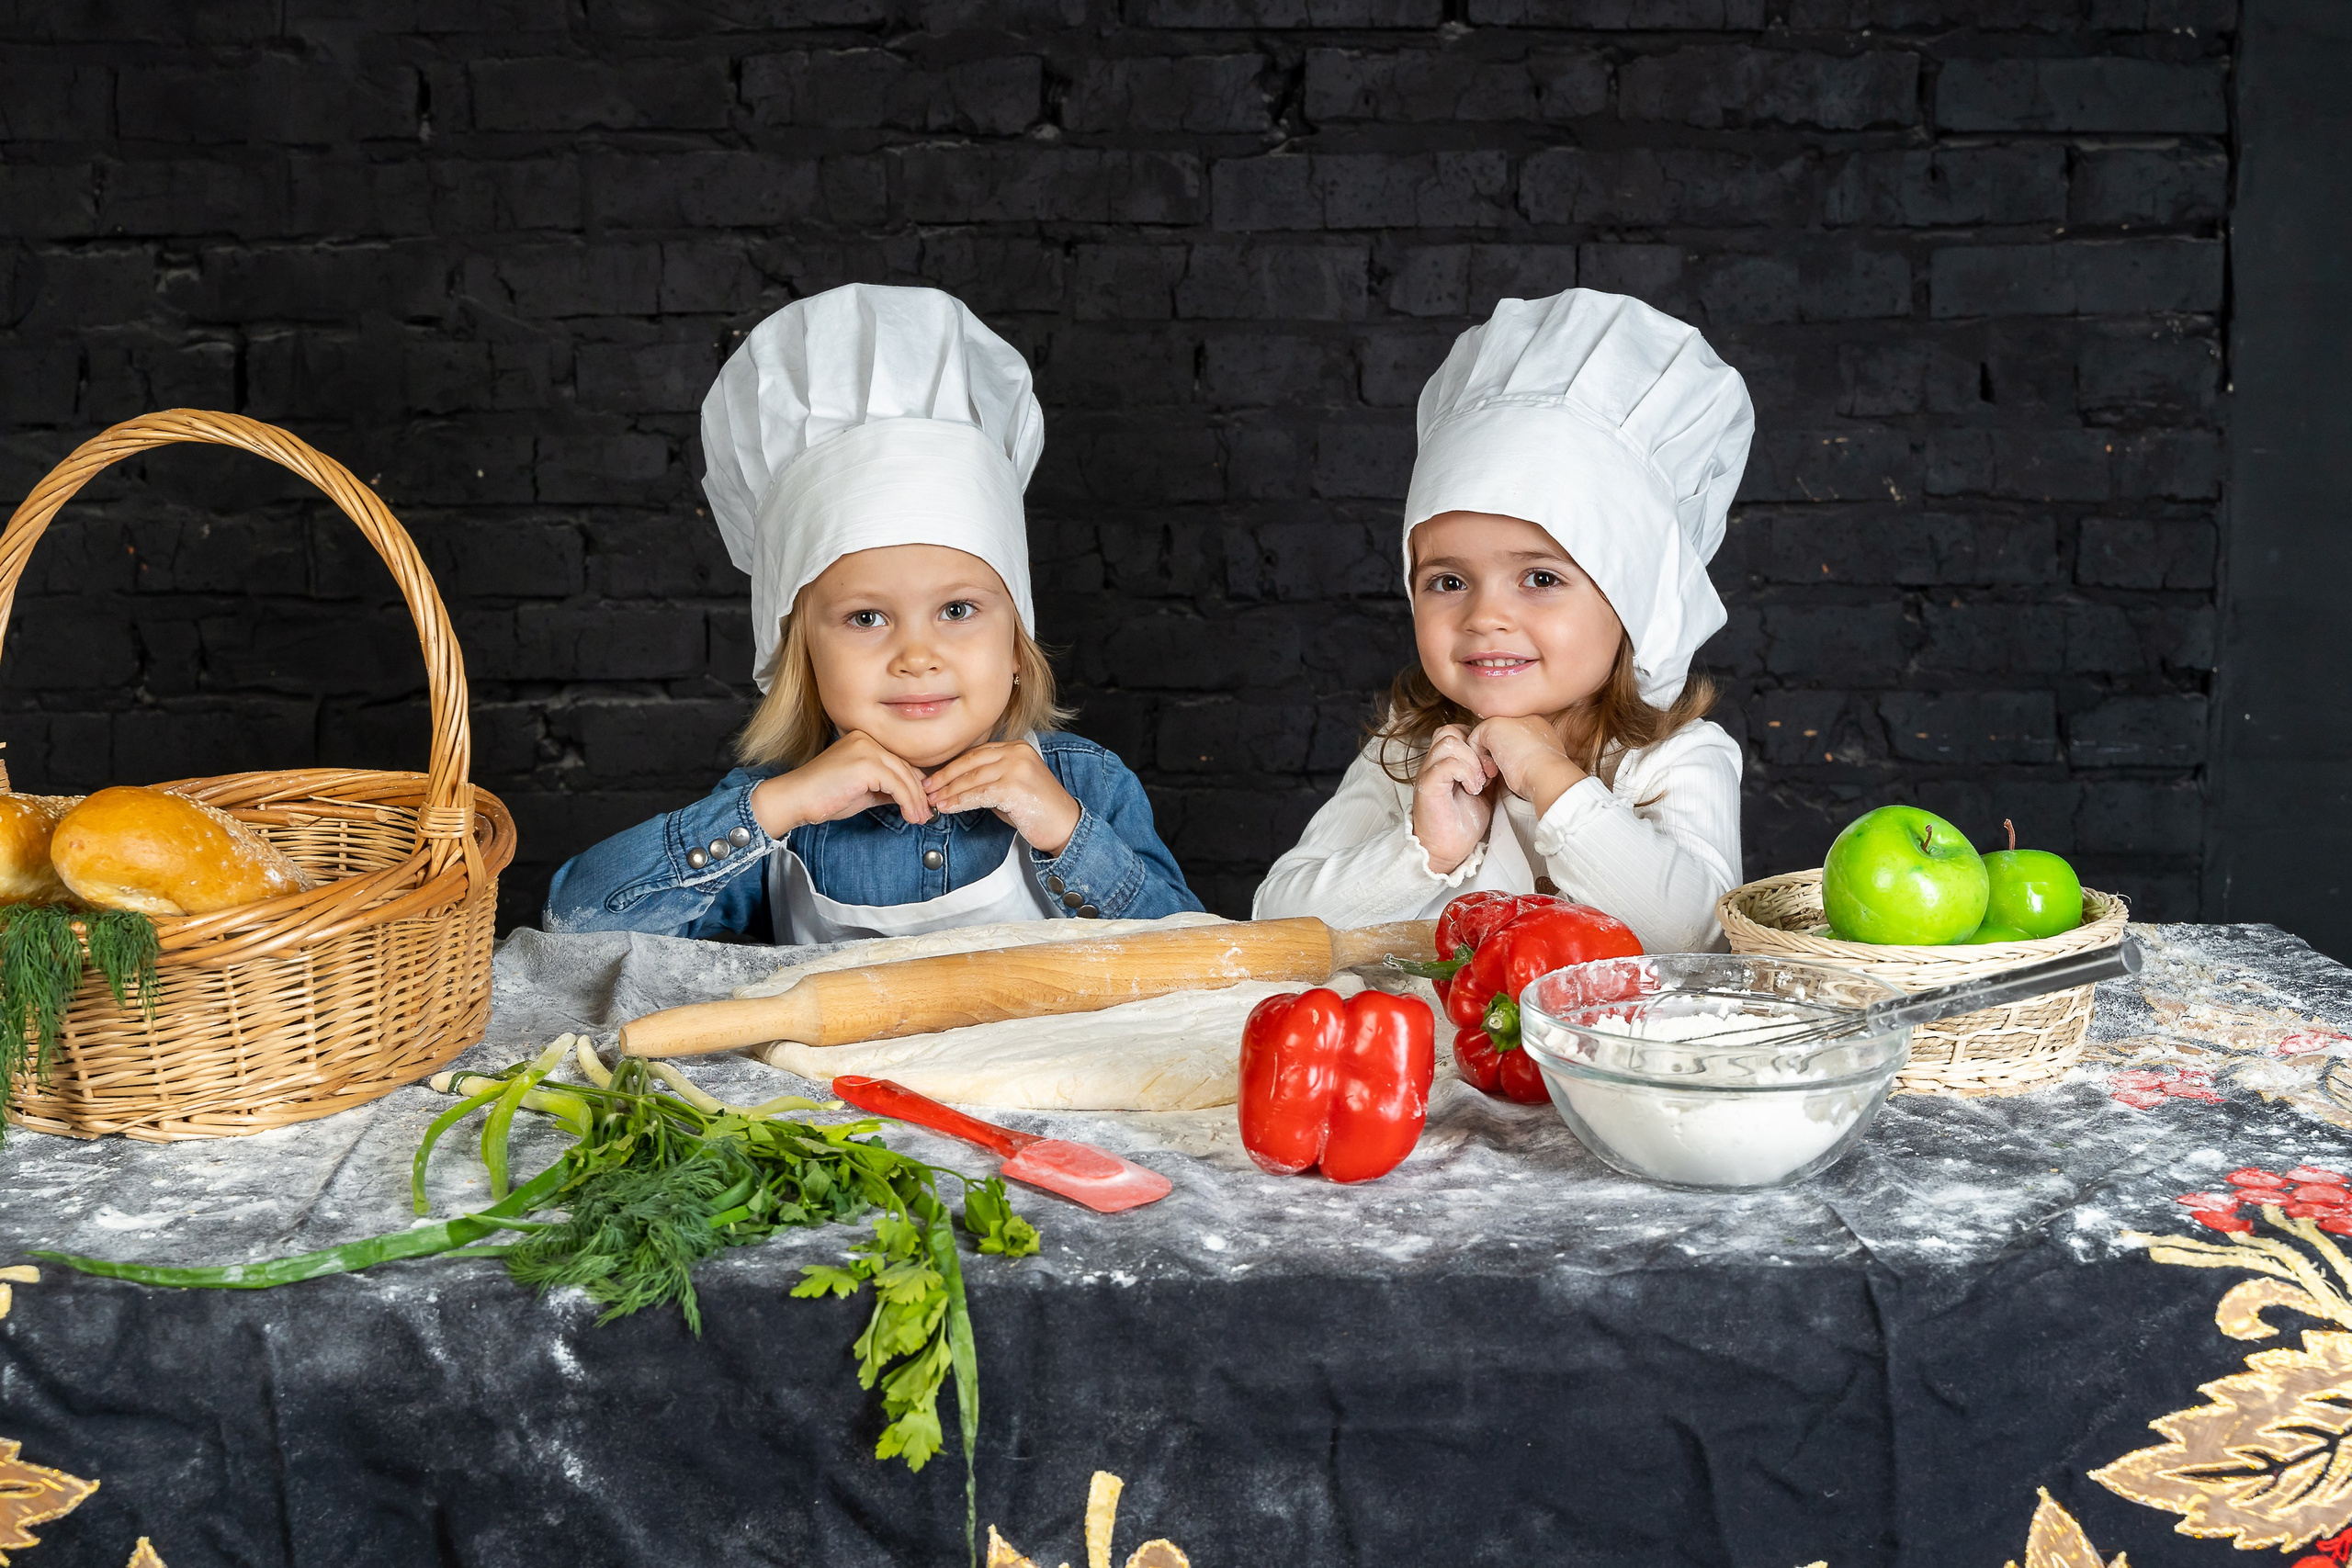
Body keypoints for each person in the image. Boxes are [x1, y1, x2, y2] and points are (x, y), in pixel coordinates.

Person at [545, 284, 1200, 942]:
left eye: (957, 608)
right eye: (866, 618)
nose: (917, 655)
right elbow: (574, 927)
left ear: (1015, 643)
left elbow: (1205, 959)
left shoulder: (1086, 786)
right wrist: (773, 808)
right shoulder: (781, 807)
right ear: (803, 654)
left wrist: (1066, 831)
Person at [1253, 288, 1750, 953]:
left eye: (1541, 578)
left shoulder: (1677, 761)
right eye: (1448, 581)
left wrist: (1553, 779)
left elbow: (1687, 931)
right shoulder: (1406, 754)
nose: (1486, 616)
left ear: (1633, 597)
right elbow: (1277, 918)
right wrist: (1424, 850)